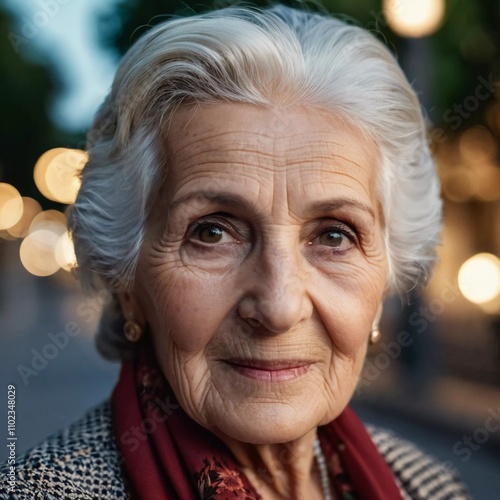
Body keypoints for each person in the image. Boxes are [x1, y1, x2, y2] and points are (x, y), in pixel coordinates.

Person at [1, 4, 469, 499]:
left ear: (384, 280)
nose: (279, 306)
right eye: (212, 233)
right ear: (128, 282)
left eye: (334, 235)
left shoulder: (428, 486)